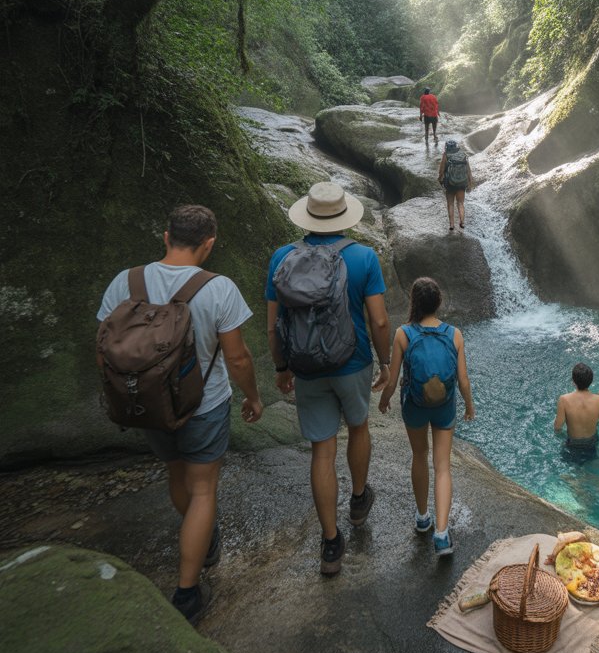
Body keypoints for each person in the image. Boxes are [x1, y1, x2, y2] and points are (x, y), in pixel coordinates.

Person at [96, 204, 263, 625]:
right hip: (203, 404)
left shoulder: (126, 281)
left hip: (146, 403)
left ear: (166, 237)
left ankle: (198, 539)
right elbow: (237, 357)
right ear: (209, 244)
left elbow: (104, 348)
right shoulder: (219, 288)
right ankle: (188, 591)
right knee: (203, 489)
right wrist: (253, 397)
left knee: (176, 472)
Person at [266, 182, 391, 576]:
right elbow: (380, 320)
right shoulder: (363, 257)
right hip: (352, 361)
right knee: (358, 427)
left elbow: (273, 325)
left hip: (306, 365)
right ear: (345, 217)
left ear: (307, 217)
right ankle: (358, 500)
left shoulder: (282, 257)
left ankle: (331, 542)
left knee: (322, 450)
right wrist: (387, 363)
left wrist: (282, 367)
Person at [378, 277, 474, 557]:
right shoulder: (454, 334)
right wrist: (469, 406)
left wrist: (384, 400)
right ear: (438, 302)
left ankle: (423, 518)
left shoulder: (403, 334)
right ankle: (442, 535)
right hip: (444, 405)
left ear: (414, 302)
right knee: (442, 466)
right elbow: (463, 380)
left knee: (419, 456)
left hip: (415, 406)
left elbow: (393, 379)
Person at [438, 139, 472, 232]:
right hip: (462, 182)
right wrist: (469, 183)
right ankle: (462, 222)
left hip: (450, 183)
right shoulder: (463, 154)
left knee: (450, 204)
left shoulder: (446, 155)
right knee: (460, 203)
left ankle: (452, 225)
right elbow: (468, 171)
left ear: (447, 147)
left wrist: (440, 179)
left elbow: (441, 170)